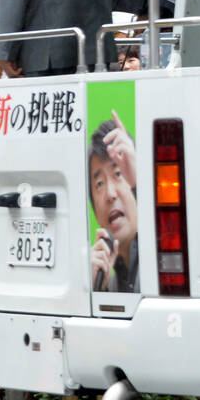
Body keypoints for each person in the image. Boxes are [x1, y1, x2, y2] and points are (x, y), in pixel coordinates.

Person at [88, 114, 138, 293]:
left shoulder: (162, 259)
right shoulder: (109, 280)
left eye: (118, 174)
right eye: (99, 184)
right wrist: (98, 290)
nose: (110, 194)